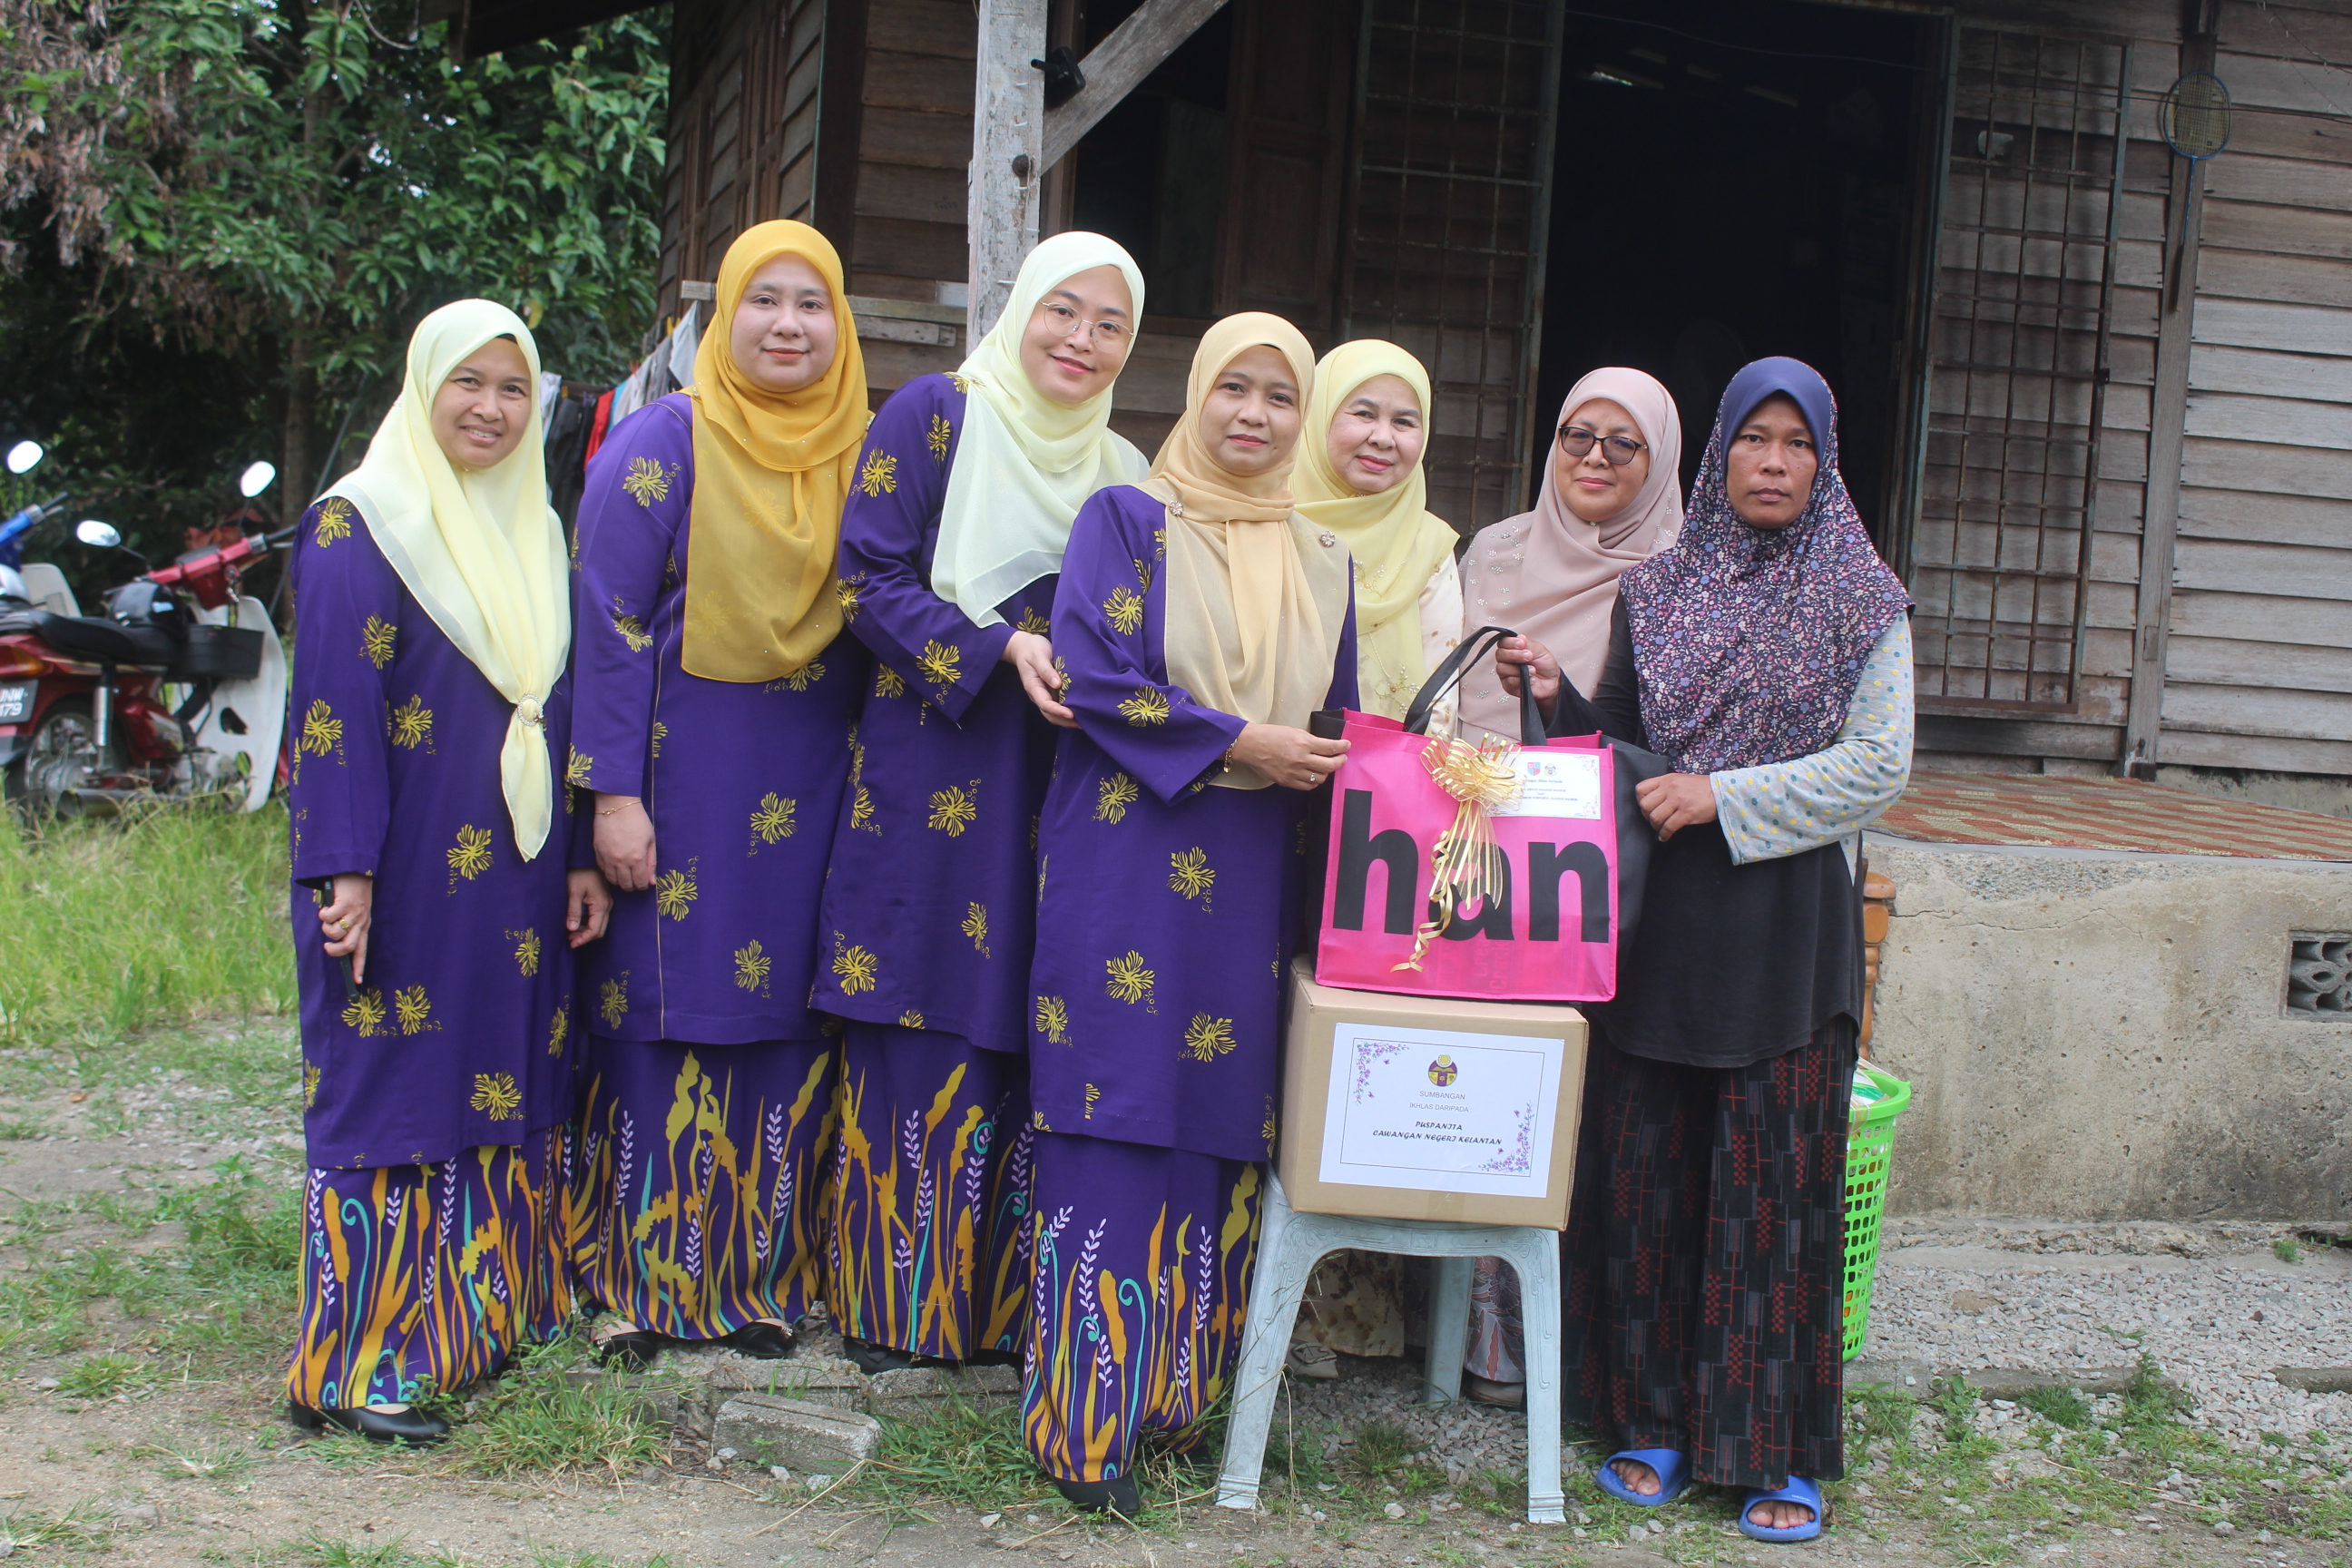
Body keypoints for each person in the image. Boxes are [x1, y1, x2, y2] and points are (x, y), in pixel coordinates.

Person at [1504, 357, 1914, 1543]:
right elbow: (1625, 748)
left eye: (1797, 444)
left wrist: (1725, 795)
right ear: (1719, 454)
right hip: (1663, 930)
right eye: (1753, 440)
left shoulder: (1864, 601)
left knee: (1772, 1195)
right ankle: (1653, 1420)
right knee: (1648, 1181)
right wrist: (1558, 696)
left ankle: (1775, 1450)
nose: (1773, 464)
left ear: (1825, 462)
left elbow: (1878, 766)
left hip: (1785, 934)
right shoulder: (1660, 589)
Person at [1017, 314, 1357, 1513]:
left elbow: (1339, 731)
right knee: (1114, 1104)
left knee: (1218, 1120)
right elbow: (1096, 677)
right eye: (1234, 389)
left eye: (1281, 396)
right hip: (1127, 854)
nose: (1255, 415)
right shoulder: (1127, 519)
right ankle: (1084, 1429)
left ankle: (1171, 1411)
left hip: (1253, 881)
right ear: (1199, 394)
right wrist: (1244, 741)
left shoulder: (1327, 558)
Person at [814, 233, 1150, 1374]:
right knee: (920, 1005)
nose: (1082, 340)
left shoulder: (1124, 470)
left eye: (1110, 324)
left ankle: (997, 1311)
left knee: (1019, 1014)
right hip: (935, 760)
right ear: (1021, 311)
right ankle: (891, 1308)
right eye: (1063, 310)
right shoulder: (936, 416)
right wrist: (997, 646)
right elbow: (864, 581)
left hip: (1059, 780)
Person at [286, 300, 607, 1443]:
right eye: (468, 382)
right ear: (424, 388)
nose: (491, 408)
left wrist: (579, 856)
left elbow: (565, 708)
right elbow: (332, 710)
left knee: (499, 1073)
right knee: (391, 1080)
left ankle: (475, 1327)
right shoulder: (360, 524)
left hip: (516, 873)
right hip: (401, 865)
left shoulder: (535, 531)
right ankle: (353, 1368)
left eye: (514, 389)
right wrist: (343, 871)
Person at [567, 220, 871, 1368]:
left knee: (781, 1028)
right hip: (679, 785)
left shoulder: (865, 452)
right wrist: (612, 797)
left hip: (814, 792)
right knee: (661, 1018)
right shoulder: (665, 439)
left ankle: (757, 1283)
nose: (788, 325)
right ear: (726, 315)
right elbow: (606, 620)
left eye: (812, 304)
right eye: (764, 301)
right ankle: (633, 1284)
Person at [1279, 338, 1460, 1380]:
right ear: (1321, 418)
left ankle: (1344, 1321)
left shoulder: (1433, 550)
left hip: (1377, 841)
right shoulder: (1269, 518)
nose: (1382, 438)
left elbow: (1449, 711)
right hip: (1265, 813)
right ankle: (1252, 1304)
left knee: (1357, 1059)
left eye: (1404, 420)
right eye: (1361, 413)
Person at [1457, 368, 1682, 745]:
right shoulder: (1494, 547)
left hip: (1585, 782)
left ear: (1657, 462)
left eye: (1622, 444)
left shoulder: (1678, 581)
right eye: (1579, 436)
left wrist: (1554, 699)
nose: (1595, 457)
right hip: (1448, 774)